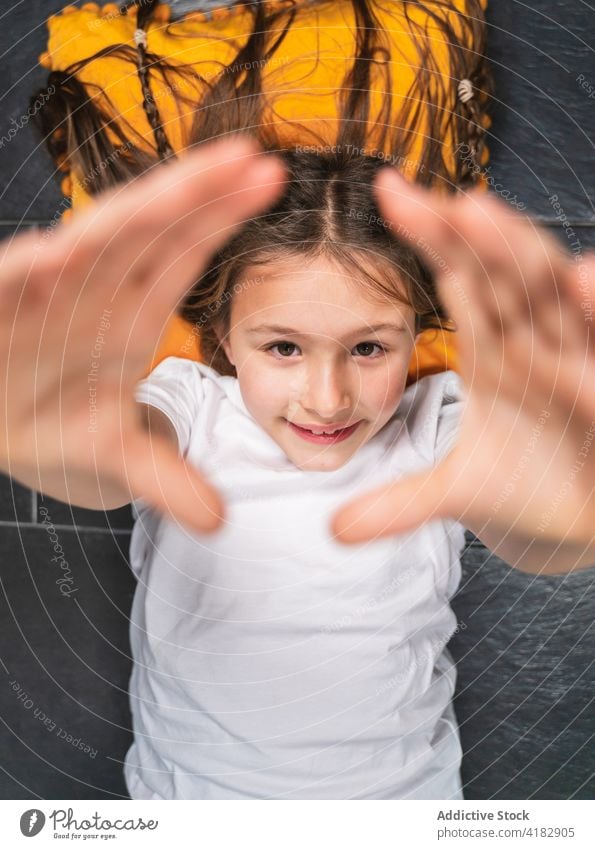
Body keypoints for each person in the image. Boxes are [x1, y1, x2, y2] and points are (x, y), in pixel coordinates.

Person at [1, 0, 591, 799]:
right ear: (222, 334)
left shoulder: (436, 416)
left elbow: (534, 526)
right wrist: (49, 436)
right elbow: (105, 460)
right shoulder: (189, 401)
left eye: (370, 347)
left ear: (415, 331)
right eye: (282, 347)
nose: (327, 395)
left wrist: (558, 510)